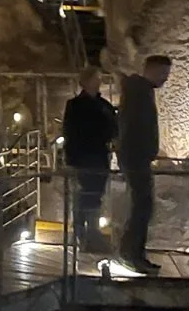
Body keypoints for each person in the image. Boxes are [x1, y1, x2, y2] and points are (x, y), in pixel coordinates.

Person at [116, 55, 172, 274]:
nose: (165, 79)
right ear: (154, 70)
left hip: (137, 156)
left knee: (142, 206)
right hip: (136, 156)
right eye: (164, 74)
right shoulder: (138, 92)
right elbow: (133, 125)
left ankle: (133, 252)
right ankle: (132, 254)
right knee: (142, 206)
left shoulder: (139, 90)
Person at [61, 66, 119, 252]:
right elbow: (71, 131)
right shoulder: (76, 105)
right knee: (85, 194)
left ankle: (90, 232)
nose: (99, 81)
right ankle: (82, 232)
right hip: (84, 156)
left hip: (99, 155)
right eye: (95, 78)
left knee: (95, 194)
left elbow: (112, 128)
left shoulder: (104, 106)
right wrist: (71, 159)